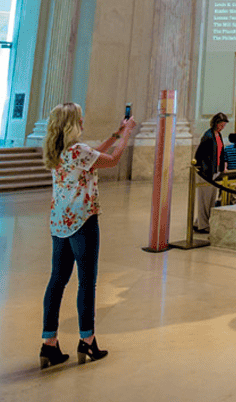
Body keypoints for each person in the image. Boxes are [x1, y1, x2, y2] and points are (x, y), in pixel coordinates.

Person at [40, 102, 136, 368]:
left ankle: (49, 343)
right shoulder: (78, 150)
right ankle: (88, 340)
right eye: (80, 119)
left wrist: (115, 134)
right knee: (86, 282)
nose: (83, 122)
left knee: (57, 282)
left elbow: (94, 155)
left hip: (59, 221)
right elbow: (112, 161)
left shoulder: (57, 150)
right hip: (83, 220)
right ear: (72, 124)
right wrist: (128, 133)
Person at [194, 112, 228, 233]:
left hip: (215, 170)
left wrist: (222, 168)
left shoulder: (218, 135)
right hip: (206, 172)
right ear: (216, 123)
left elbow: (221, 152)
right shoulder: (208, 136)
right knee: (205, 199)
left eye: (224, 126)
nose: (222, 127)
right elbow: (200, 155)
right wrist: (206, 172)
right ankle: (203, 225)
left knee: (211, 199)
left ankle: (200, 221)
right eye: (221, 125)